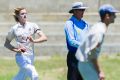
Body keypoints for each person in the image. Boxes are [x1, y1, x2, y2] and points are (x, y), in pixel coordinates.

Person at [75, 4, 119, 80]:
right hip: (86, 63)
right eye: (113, 14)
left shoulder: (99, 26)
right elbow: (92, 52)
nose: (115, 16)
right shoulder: (100, 31)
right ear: (107, 16)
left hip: (85, 62)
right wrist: (99, 71)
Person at [4, 7, 47, 80]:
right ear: (17, 16)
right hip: (20, 57)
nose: (25, 15)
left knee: (21, 76)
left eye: (25, 13)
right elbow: (6, 44)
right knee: (34, 74)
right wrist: (16, 50)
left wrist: (34, 41)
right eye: (22, 14)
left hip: (31, 56)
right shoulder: (14, 29)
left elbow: (44, 38)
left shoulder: (33, 25)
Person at [64, 2, 89, 80]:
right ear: (74, 11)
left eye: (83, 10)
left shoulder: (85, 24)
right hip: (74, 56)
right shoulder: (69, 23)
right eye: (80, 10)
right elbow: (71, 41)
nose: (83, 12)